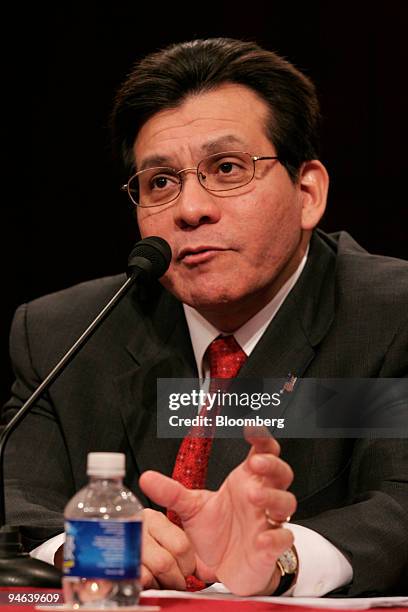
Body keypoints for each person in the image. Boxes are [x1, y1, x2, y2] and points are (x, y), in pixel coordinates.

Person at [3, 37, 408, 597]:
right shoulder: (63, 334)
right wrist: (86, 547)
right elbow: (15, 495)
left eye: (227, 168)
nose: (191, 209)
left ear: (308, 192)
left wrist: (281, 558)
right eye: (161, 182)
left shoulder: (390, 315)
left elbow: (400, 499)